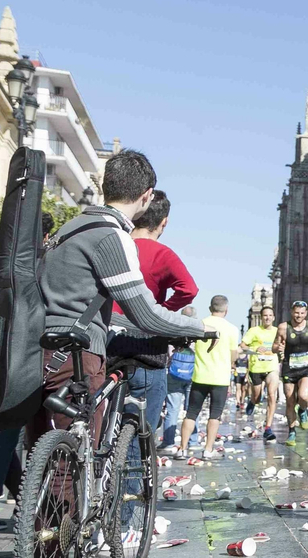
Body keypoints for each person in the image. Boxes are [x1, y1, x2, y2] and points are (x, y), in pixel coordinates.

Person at [37, 149, 208, 460]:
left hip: (39, 351)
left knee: (47, 459)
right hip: (78, 356)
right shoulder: (112, 237)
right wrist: (199, 328)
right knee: (71, 465)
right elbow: (144, 315)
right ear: (146, 196)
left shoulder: (68, 229)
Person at [111, 189, 197, 440]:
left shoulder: (114, 245)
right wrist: (161, 312)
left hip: (108, 342)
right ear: (164, 222)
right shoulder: (162, 254)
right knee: (140, 434)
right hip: (146, 346)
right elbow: (189, 290)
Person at [177, 296, 237, 458]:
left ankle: (182, 449)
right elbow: (233, 356)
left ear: (210, 308)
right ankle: (208, 450)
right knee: (214, 415)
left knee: (191, 413)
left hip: (200, 376)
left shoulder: (200, 324)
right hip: (220, 378)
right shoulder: (232, 329)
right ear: (226, 310)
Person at [274, 300, 308, 446]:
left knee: (304, 396)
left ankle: (303, 410)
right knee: (290, 401)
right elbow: (274, 346)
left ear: (306, 313)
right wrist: (278, 347)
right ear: (292, 312)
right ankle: (291, 432)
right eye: (296, 313)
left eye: (302, 313)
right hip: (289, 369)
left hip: (306, 368)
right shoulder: (283, 328)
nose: (299, 316)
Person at [162, 306, 198, 452]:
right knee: (192, 409)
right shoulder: (198, 331)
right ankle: (193, 441)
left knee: (172, 409)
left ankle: (168, 442)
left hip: (174, 373)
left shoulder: (174, 329)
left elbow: (168, 351)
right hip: (192, 374)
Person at [242, 306, 281, 440]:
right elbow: (242, 346)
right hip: (256, 368)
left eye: (270, 315)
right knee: (257, 397)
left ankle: (268, 428)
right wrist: (255, 348)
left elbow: (284, 345)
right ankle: (252, 401)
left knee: (271, 395)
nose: (268, 318)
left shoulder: (278, 331)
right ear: (261, 317)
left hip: (271, 367)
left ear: (274, 317)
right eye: (265, 315)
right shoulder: (254, 331)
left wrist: (282, 348)